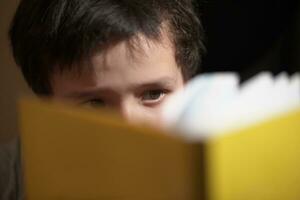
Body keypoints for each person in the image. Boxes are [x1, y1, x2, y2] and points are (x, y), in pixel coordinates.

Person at [1, 0, 205, 199]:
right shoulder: (9, 181)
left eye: (153, 94)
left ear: (186, 85)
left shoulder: (211, 167)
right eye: (95, 102)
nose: (129, 125)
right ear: (47, 102)